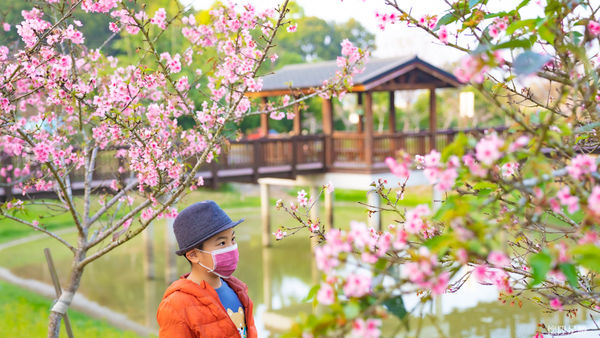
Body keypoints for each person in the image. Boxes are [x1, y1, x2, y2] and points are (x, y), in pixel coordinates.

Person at [157, 200, 257, 338]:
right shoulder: (176, 306)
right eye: (222, 243)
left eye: (232, 239)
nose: (231, 247)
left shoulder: (238, 290)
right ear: (193, 255)